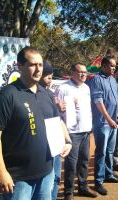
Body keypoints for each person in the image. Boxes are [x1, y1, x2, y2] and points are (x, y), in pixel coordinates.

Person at [0, 47, 72, 200]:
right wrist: (0, 171)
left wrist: (67, 141)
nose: (38, 69)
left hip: (47, 172)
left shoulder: (46, 94)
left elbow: (58, 121)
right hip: (19, 178)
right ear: (20, 66)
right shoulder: (7, 95)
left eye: (40, 65)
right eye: (33, 65)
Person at [54, 63, 98, 200]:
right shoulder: (63, 88)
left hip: (85, 131)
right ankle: (69, 193)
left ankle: (83, 187)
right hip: (71, 133)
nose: (83, 74)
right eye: (80, 72)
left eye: (85, 72)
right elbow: (56, 110)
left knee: (84, 161)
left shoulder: (86, 88)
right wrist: (59, 108)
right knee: (71, 165)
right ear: (72, 72)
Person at [88, 56, 118, 196]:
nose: (114, 68)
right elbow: (98, 101)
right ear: (103, 66)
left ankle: (109, 174)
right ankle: (98, 181)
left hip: (113, 122)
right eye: (112, 66)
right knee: (101, 152)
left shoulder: (112, 79)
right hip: (103, 123)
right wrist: (109, 119)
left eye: (115, 66)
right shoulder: (97, 80)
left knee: (110, 151)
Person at [39, 61, 72, 200]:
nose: (49, 80)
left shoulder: (51, 95)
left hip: (56, 146)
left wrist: (67, 140)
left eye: (51, 77)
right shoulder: (27, 96)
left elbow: (59, 120)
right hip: (42, 149)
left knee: (56, 179)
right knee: (44, 185)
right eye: (47, 76)